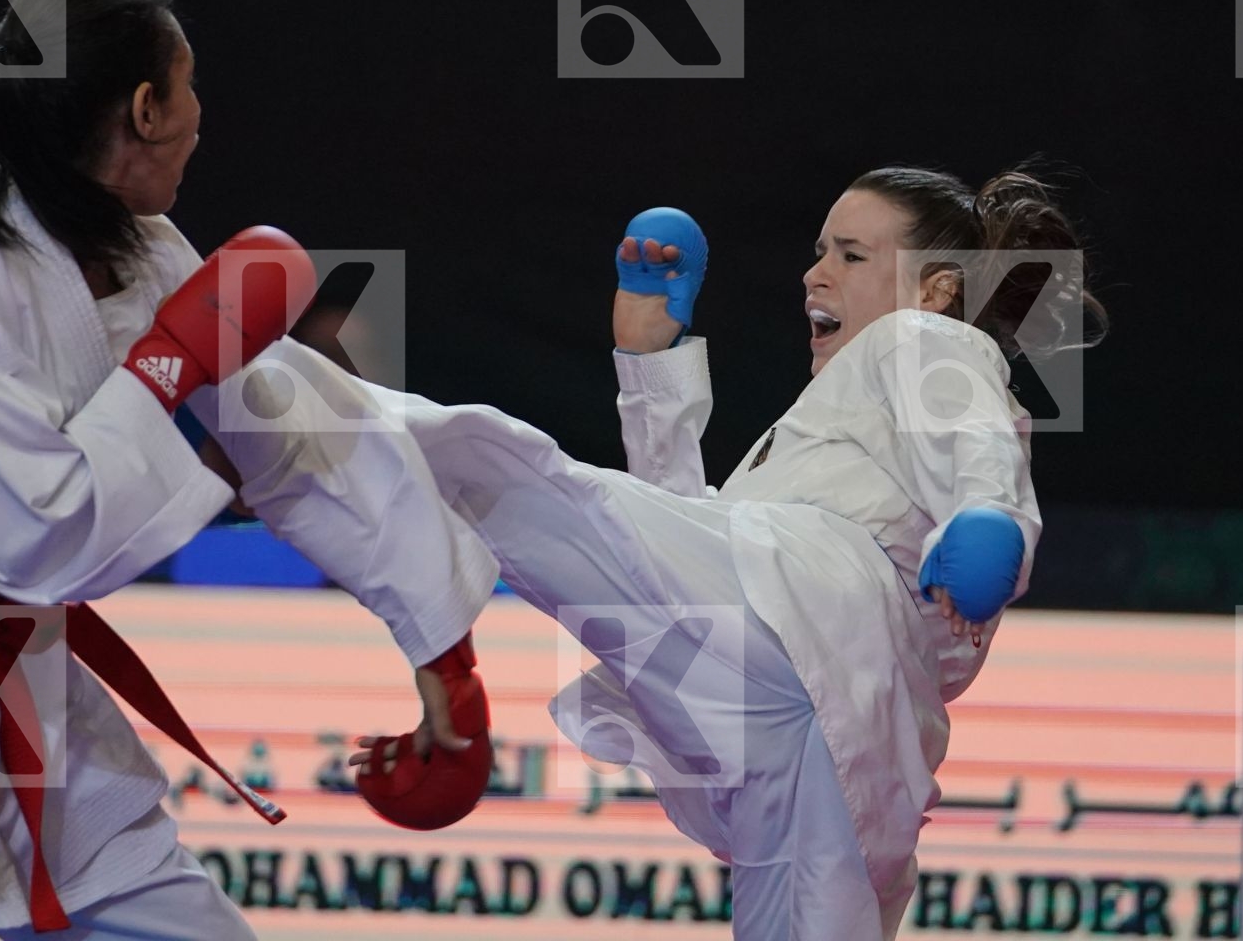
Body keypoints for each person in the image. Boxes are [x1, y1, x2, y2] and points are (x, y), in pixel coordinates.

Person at [0, 0, 498, 938]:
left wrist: (444, 658)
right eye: (186, 89)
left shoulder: (150, 253)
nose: (199, 116)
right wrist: (162, 372)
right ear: (144, 110)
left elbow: (296, 438)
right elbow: (30, 533)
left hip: (20, 674)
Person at [332, 166, 1102, 939]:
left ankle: (278, 399)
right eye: (818, 250)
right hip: (816, 724)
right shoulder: (827, 436)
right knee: (551, 500)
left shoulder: (922, 336)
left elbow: (972, 430)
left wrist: (991, 516)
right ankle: (284, 410)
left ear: (935, 290)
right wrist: (648, 360)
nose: (815, 272)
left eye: (851, 255)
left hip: (822, 649)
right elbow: (679, 545)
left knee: (512, 476)